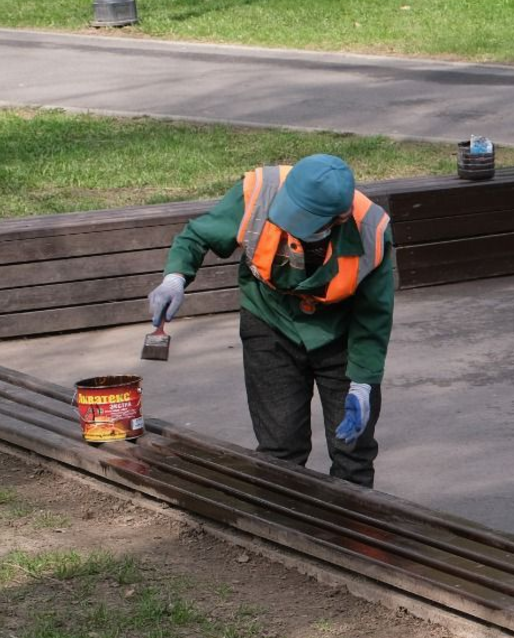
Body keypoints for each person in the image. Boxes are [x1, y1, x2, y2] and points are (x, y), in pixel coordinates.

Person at [145, 154, 395, 488]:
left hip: (339, 335)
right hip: (269, 321)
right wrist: (175, 277)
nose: (290, 228)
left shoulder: (371, 231)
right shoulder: (260, 192)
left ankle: (353, 536)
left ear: (341, 216)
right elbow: (198, 236)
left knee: (353, 450)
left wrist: (363, 381)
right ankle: (279, 533)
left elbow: (374, 314)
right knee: (280, 448)